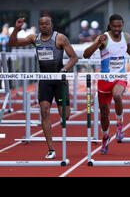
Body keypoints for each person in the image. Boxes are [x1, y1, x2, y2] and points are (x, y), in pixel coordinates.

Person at [8, 16, 79, 159]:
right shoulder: (35, 38)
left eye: (47, 24)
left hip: (59, 80)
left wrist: (64, 70)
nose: (44, 26)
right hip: (45, 79)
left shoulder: (60, 38)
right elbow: (12, 43)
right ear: (39, 26)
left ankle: (63, 109)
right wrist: (16, 28)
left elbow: (74, 57)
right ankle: (51, 149)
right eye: (41, 24)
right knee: (44, 111)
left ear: (51, 24)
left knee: (65, 115)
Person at [83, 14, 130, 154]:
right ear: (110, 26)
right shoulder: (103, 38)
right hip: (105, 80)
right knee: (104, 115)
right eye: (114, 26)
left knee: (118, 95)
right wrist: (97, 44)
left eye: (119, 26)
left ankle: (119, 124)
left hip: (120, 77)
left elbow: (128, 48)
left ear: (122, 25)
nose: (117, 29)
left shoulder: (126, 36)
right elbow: (86, 55)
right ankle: (105, 137)